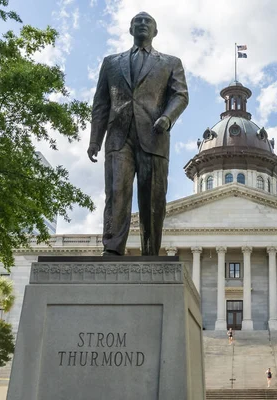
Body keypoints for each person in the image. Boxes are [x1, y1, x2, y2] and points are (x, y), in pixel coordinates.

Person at [88, 11, 189, 256]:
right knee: (115, 194)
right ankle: (111, 248)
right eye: (137, 22)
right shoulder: (111, 62)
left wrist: (167, 117)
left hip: (155, 134)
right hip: (118, 136)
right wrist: (95, 139)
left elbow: (180, 95)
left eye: (148, 22)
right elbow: (101, 102)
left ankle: (151, 251)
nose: (142, 24)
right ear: (130, 29)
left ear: (155, 31)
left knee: (153, 198)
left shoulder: (170, 62)